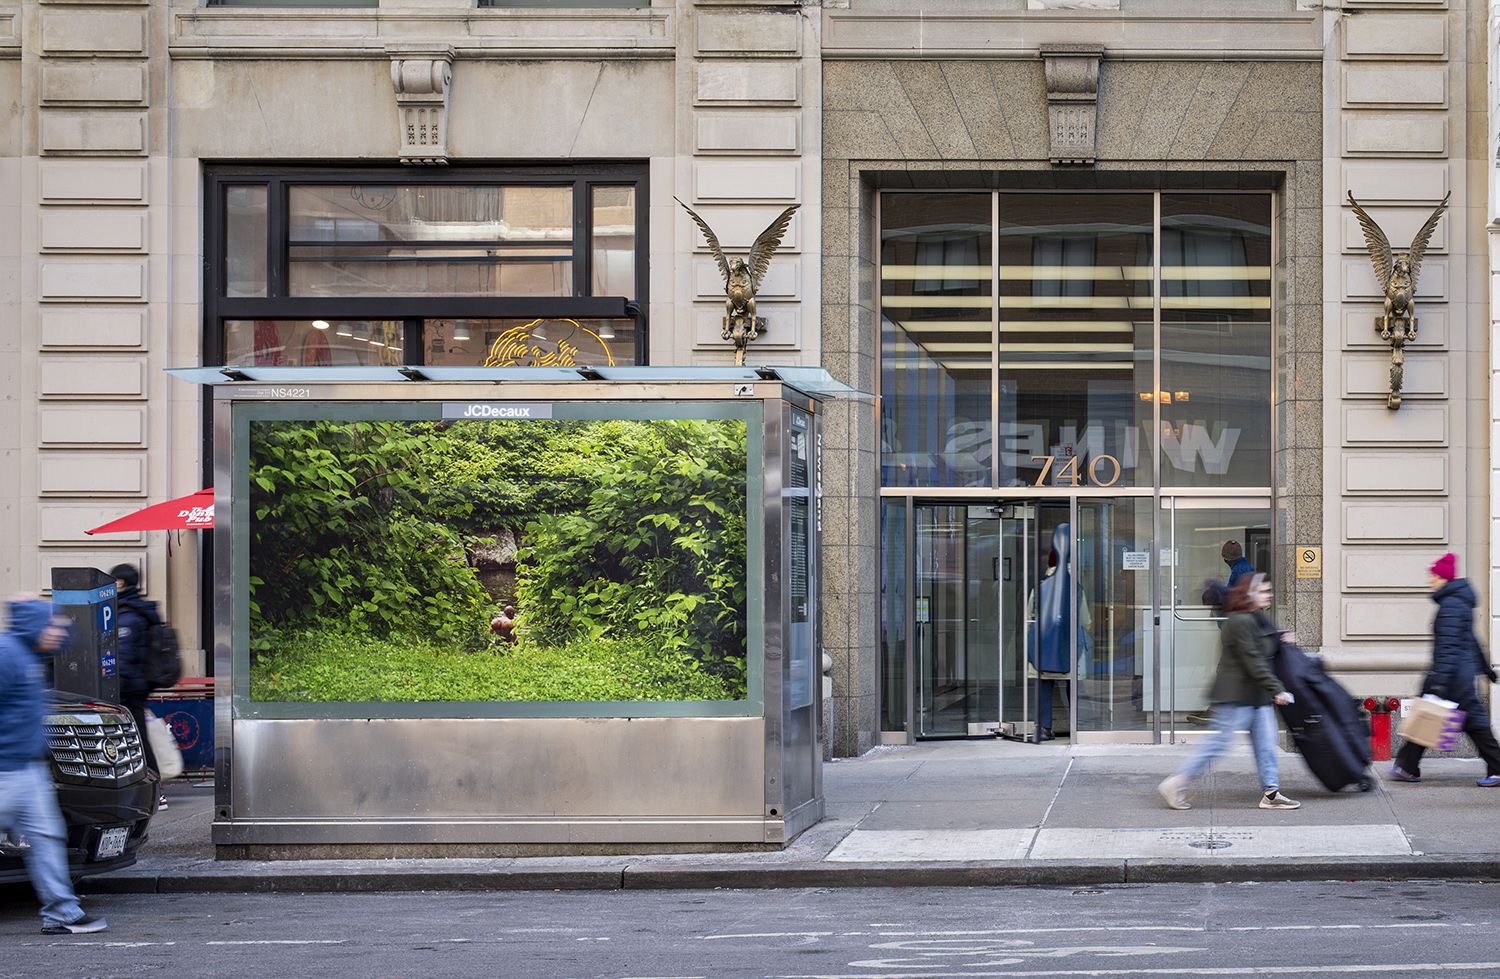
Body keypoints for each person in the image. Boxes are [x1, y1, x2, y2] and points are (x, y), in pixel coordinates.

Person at [0, 595, 110, 934]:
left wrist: (44, 616)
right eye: (52, 626)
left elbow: (70, 639)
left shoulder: (30, 654)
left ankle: (62, 913)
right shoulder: (7, 656)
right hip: (5, 770)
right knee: (46, 837)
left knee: (47, 837)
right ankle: (62, 911)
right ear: (34, 627)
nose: (59, 633)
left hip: (27, 770)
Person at [1158, 573, 1301, 810]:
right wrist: (1276, 689)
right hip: (1237, 695)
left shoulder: (1254, 617)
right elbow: (1252, 659)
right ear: (1250, 593)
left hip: (1256, 696)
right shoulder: (1239, 621)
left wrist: (1279, 638)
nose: (1269, 595)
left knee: (1266, 743)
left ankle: (1271, 794)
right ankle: (1177, 782)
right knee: (1219, 742)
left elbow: (1262, 646)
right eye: (1265, 591)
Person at [1388, 553, 1500, 786]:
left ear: (1443, 578)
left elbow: (1449, 648)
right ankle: (1407, 767)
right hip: (1457, 676)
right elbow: (1470, 640)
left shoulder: (1451, 605)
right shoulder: (1458, 603)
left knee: (1470, 725)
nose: (1430, 580)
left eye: (1433, 576)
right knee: (1428, 717)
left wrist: (1438, 683)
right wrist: (1484, 668)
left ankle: (1498, 769)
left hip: (1453, 680)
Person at [111, 564, 165, 811]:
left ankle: (155, 792)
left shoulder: (128, 614)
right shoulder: (133, 610)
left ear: (120, 583)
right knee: (136, 738)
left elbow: (124, 656)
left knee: (137, 740)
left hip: (128, 688)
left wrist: (113, 691)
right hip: (136, 686)